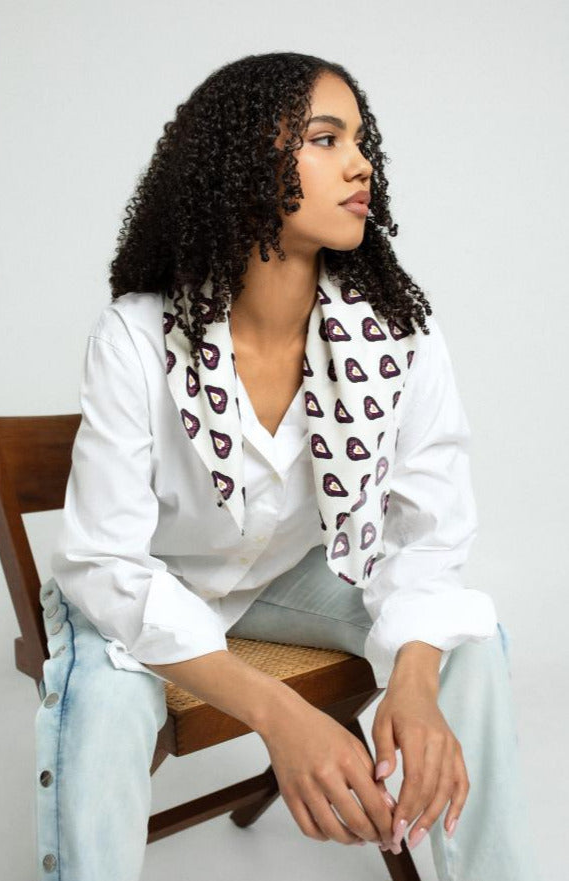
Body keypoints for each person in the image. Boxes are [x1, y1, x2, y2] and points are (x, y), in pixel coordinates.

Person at [34, 52, 542, 881]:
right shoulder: (136, 334)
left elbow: (430, 526)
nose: (360, 162)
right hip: (154, 582)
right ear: (242, 167)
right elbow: (106, 565)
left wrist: (412, 681)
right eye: (324, 137)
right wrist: (283, 716)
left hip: (285, 581)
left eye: (360, 139)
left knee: (470, 639)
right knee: (109, 697)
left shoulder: (395, 333)